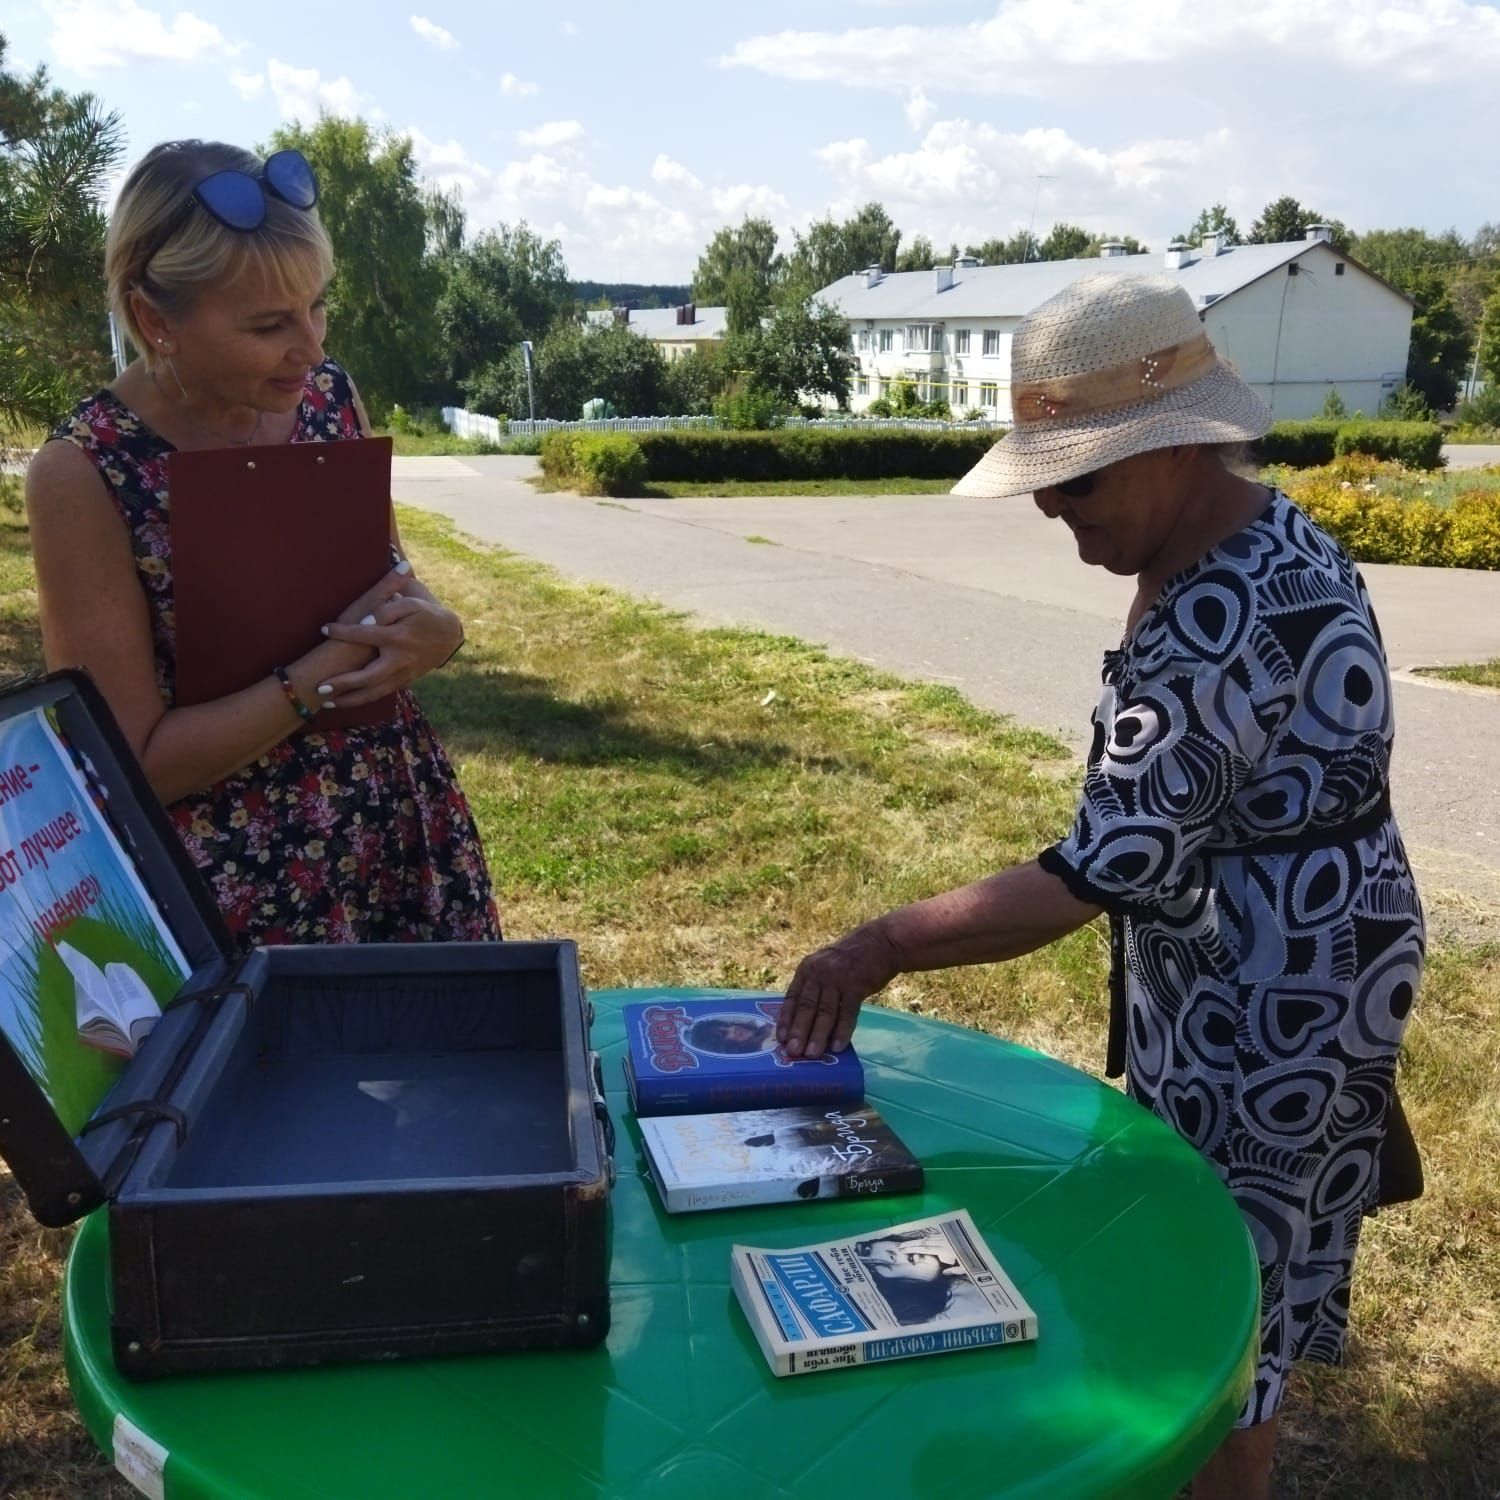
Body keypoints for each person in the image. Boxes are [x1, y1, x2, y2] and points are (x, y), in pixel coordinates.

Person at [776, 274, 1423, 1500]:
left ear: (1172, 442)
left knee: (1228, 1315)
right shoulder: (1236, 535)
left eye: (1079, 479)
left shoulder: (1218, 610)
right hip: (1280, 959)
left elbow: (1093, 875)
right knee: (1231, 1275)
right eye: (1045, 486)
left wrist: (881, 945)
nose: (1059, 513)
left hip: (1278, 989)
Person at [26, 140, 499, 947]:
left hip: (393, 816)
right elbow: (133, 763)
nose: (311, 348)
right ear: (153, 319)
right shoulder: (84, 472)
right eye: (269, 324)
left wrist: (440, 632)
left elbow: (389, 588)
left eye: (318, 306)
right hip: (239, 880)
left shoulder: (327, 395)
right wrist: (311, 681)